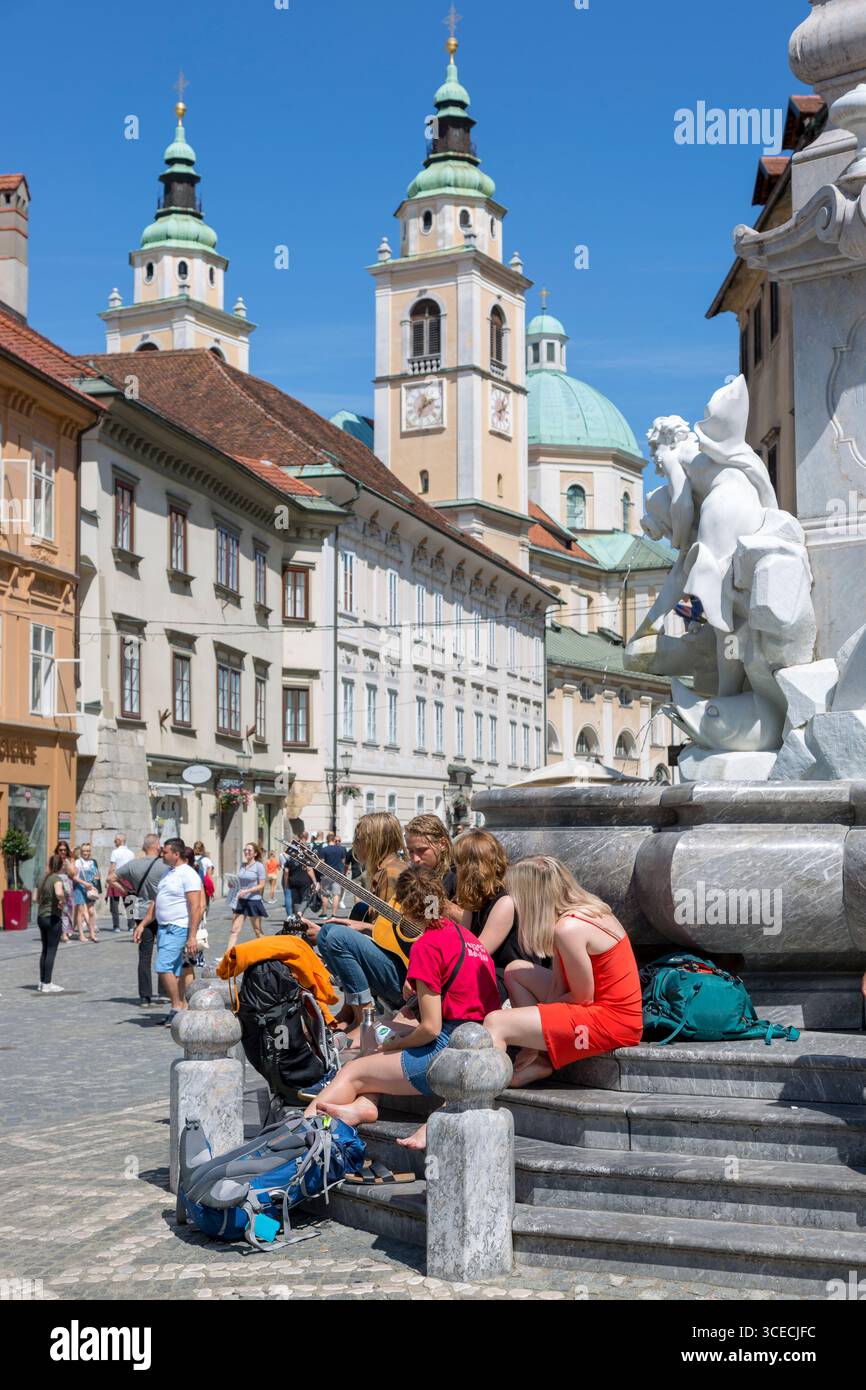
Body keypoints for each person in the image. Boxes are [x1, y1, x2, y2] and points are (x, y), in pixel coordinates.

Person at [483, 856, 643, 1089]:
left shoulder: (569, 929)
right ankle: (536, 1057)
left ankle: (476, 1105)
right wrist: (535, 1026)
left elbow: (582, 997)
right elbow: (561, 982)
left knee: (496, 1023)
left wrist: (534, 1018)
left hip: (612, 1022)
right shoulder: (584, 911)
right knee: (515, 970)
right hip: (607, 1009)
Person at [313, 812, 408, 1031]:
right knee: (332, 929)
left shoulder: (394, 874)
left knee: (336, 936)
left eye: (360, 838)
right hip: (389, 964)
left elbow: (398, 934)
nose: (355, 844)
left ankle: (364, 1014)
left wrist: (362, 928)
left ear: (375, 841)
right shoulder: (382, 872)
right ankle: (351, 1009)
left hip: (400, 974)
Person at [446, 828, 534, 1003]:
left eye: (458, 865)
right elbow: (462, 941)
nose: (455, 872)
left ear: (471, 868)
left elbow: (477, 952)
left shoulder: (505, 902)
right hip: (483, 972)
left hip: (506, 979)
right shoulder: (476, 900)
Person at [134, 838, 203, 1026]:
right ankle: (180, 1008)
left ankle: (177, 1006)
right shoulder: (167, 872)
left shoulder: (188, 874)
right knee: (176, 970)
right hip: (164, 928)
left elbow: (195, 906)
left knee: (163, 967)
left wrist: (192, 935)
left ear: (176, 854)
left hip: (178, 927)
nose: (161, 854)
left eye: (165, 852)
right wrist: (143, 924)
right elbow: (157, 902)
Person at [125, 835, 170, 1007]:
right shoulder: (164, 865)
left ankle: (145, 996)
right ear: (157, 846)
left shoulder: (134, 864)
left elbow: (111, 878)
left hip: (140, 912)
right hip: (161, 911)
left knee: (144, 956)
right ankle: (163, 992)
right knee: (163, 952)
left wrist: (130, 890)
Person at [226, 843, 268, 952]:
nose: (246, 852)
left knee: (257, 930)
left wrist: (247, 891)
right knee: (234, 930)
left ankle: (267, 951)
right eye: (245, 850)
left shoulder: (259, 866)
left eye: (249, 850)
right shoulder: (242, 865)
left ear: (255, 853)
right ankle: (227, 955)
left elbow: (262, 885)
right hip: (241, 901)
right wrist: (232, 884)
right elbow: (239, 882)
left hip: (253, 901)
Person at [404, 814, 456, 897]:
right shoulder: (412, 879)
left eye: (421, 850)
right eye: (411, 851)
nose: (415, 859)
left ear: (442, 844)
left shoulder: (457, 879)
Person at [36, 855, 67, 994]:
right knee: (51, 950)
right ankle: (48, 983)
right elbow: (59, 892)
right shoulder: (56, 879)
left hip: (41, 916)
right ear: (61, 866)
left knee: (44, 950)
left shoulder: (44, 879)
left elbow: (36, 898)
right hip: (52, 917)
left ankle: (42, 982)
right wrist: (62, 900)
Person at [106, 833, 136, 932]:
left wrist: (108, 879)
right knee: (129, 904)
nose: (114, 842)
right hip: (128, 879)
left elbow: (113, 867)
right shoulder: (131, 853)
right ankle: (131, 926)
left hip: (116, 878)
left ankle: (116, 926)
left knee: (114, 904)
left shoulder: (115, 852)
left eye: (115, 840)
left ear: (119, 840)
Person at [73, 843, 102, 942]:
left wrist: (96, 878)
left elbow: (97, 875)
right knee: (80, 912)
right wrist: (84, 883)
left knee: (91, 911)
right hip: (80, 888)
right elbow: (74, 877)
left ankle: (92, 933)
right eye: (84, 851)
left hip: (90, 889)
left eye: (88, 851)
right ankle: (81, 935)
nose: (86, 853)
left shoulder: (92, 862)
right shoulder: (78, 862)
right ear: (81, 852)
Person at [318, 831, 347, 917]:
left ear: (327, 840)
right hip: (337, 873)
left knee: (325, 894)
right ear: (334, 840)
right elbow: (343, 861)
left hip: (327, 874)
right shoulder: (340, 849)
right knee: (336, 894)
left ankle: (324, 913)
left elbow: (322, 863)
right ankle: (334, 914)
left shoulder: (324, 850)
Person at [54, 841, 77, 944]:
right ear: (57, 850)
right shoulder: (54, 859)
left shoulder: (69, 860)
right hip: (57, 886)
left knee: (67, 911)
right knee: (59, 910)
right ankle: (61, 934)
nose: (63, 852)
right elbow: (50, 871)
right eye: (60, 850)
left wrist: (70, 860)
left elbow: (73, 873)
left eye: (64, 850)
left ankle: (65, 933)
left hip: (68, 887)